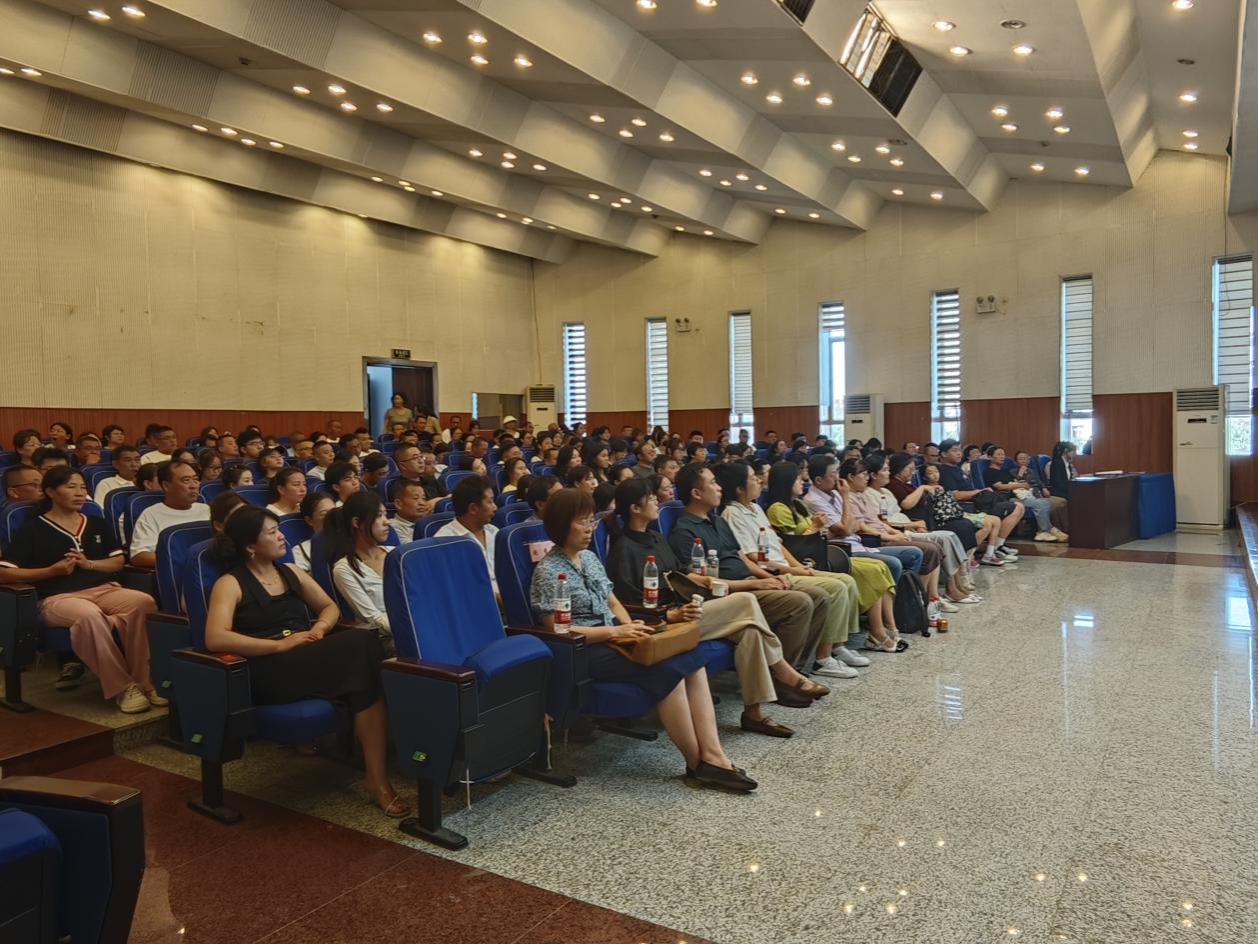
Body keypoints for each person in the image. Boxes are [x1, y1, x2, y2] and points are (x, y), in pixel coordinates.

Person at [531, 488, 756, 791]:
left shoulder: (589, 558)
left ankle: (714, 755)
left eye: (591, 521)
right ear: (561, 524)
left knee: (692, 661)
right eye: (581, 522)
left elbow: (612, 602)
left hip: (616, 637)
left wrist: (631, 627)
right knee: (669, 670)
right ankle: (697, 764)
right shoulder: (548, 571)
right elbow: (558, 630)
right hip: (585, 649)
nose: (589, 529)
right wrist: (614, 632)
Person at [203, 506, 406, 818]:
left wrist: (319, 629)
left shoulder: (291, 572)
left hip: (304, 656)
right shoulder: (230, 583)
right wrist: (278, 645)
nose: (282, 537)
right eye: (272, 532)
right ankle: (378, 781)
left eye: (279, 529)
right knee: (362, 645)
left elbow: (329, 607)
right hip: (266, 668)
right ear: (250, 545)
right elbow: (215, 637)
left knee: (364, 669)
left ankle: (376, 779)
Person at [607, 478, 828, 738]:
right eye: (651, 498)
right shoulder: (624, 549)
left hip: (686, 607)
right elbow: (626, 603)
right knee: (745, 601)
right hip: (661, 622)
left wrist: (706, 582)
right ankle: (784, 673)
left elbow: (682, 573)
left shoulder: (655, 537)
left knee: (750, 631)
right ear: (635, 508)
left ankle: (753, 714)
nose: (658, 502)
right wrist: (671, 614)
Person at [0, 467, 161, 714]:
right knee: (89, 616)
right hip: (57, 597)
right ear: (51, 492)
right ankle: (122, 687)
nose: (79, 493)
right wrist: (50, 571)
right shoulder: (32, 529)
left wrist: (89, 564)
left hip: (104, 589)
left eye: (83, 487)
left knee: (143, 602)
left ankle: (146, 681)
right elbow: (5, 573)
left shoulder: (96, 523)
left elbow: (117, 562)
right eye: (71, 487)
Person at [717, 462, 869, 680]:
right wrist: (791, 571)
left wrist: (797, 566)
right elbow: (752, 557)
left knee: (847, 581)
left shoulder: (755, 508)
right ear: (739, 488)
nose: (759, 480)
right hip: (771, 572)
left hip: (785, 567)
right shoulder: (732, 514)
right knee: (835, 588)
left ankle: (837, 646)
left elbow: (778, 545)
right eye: (752, 478)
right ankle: (823, 658)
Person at [668, 464, 827, 672]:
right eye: (713, 483)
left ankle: (798, 668)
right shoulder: (684, 531)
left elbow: (743, 558)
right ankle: (783, 676)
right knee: (799, 602)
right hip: (730, 593)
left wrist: (769, 577)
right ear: (696, 493)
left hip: (751, 582)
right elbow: (700, 581)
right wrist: (757, 584)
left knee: (820, 596)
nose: (719, 488)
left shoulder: (718, 522)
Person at [762, 461, 901, 652]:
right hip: (807, 556)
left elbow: (849, 527)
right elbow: (791, 542)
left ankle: (885, 628)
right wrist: (816, 527)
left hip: (820, 550)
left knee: (879, 567)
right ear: (785, 482)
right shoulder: (778, 509)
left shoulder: (798, 504)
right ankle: (874, 633)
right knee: (870, 570)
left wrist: (825, 528)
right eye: (797, 479)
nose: (802, 482)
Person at [866, 454, 976, 609]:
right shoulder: (869, 494)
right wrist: (911, 525)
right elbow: (882, 522)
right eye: (885, 470)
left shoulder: (886, 491)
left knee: (950, 535)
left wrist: (915, 525)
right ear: (873, 475)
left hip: (908, 525)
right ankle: (944, 591)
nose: (888, 473)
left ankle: (953, 587)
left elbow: (899, 514)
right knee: (941, 540)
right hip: (898, 530)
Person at [886, 453, 985, 596]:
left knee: (964, 527)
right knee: (953, 534)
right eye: (909, 469)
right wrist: (922, 489)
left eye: (913, 469)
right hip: (914, 523)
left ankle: (959, 579)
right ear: (899, 469)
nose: (912, 472)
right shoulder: (893, 485)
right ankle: (950, 586)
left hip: (923, 521)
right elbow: (906, 505)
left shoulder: (903, 485)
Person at [325, 492, 394, 655]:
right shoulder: (345, 569)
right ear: (357, 523)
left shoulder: (395, 554)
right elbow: (374, 619)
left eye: (385, 514)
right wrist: (414, 624)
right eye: (378, 516)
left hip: (416, 626)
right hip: (384, 639)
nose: (387, 521)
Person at [937, 440, 1022, 564]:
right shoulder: (944, 471)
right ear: (944, 454)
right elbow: (955, 495)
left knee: (1018, 506)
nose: (959, 453)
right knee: (1017, 507)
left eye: (959, 450)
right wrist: (978, 491)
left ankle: (997, 547)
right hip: (970, 506)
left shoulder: (957, 469)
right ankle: (995, 549)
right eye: (954, 451)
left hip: (979, 502)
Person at [128, 461, 210, 568]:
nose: (193, 485)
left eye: (195, 479)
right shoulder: (151, 514)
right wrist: (183, 562)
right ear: (166, 486)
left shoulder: (206, 509)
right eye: (186, 480)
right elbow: (139, 556)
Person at [984, 446, 1067, 543]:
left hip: (1018, 494)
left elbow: (1014, 481)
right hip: (1007, 498)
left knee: (1045, 503)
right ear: (990, 457)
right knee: (1039, 504)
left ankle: (1048, 529)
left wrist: (1021, 484)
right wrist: (1020, 485)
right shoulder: (990, 472)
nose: (1002, 457)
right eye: (999, 454)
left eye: (1003, 454)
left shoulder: (1004, 471)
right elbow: (1000, 487)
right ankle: (1043, 531)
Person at [435, 476, 500, 601]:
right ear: (473, 508)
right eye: (490, 502)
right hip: (475, 603)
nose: (495, 507)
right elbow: (454, 587)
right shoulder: (444, 541)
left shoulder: (494, 531)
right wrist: (497, 599)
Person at [1014, 450, 1069, 537]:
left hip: (1039, 495)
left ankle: (1064, 528)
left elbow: (1039, 482)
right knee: (1045, 504)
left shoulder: (1031, 471)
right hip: (1027, 497)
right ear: (1016, 462)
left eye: (1025, 459)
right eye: (1020, 459)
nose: (1023, 461)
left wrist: (1044, 488)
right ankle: (1049, 529)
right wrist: (1020, 474)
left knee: (1062, 501)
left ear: (1029, 460)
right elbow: (1014, 485)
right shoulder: (1012, 471)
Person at [292, 492, 335, 572]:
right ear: (309, 520)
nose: (332, 517)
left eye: (334, 512)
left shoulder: (349, 539)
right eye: (324, 514)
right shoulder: (301, 551)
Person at [388, 479, 430, 543]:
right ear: (398, 504)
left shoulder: (429, 523)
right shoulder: (392, 528)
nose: (422, 503)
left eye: (423, 498)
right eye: (415, 498)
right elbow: (415, 548)